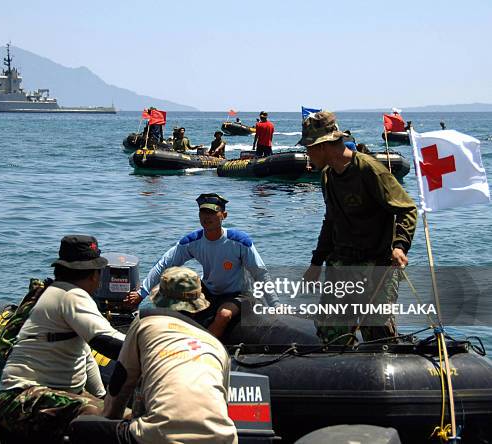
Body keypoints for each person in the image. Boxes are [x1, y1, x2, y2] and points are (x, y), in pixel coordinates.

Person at [69, 267, 238, 443]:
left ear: (160, 299)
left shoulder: (147, 322)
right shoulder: (217, 346)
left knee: (80, 428)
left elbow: (122, 382)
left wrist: (109, 419)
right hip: (224, 437)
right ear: (198, 306)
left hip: (159, 435)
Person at [299, 111, 417, 344]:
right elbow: (330, 220)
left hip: (377, 264)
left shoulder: (369, 170)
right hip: (342, 263)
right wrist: (316, 262)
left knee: (378, 334)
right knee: (332, 333)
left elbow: (406, 208)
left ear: (324, 146)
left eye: (309, 148)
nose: (307, 153)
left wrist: (400, 246)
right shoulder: (327, 176)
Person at [0, 235, 126, 442]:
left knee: (123, 413)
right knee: (110, 420)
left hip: (37, 398)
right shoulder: (71, 295)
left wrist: (102, 396)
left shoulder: (57, 292)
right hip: (22, 399)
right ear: (94, 275)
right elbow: (106, 342)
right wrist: (153, 350)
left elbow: (85, 356)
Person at [125, 193, 280, 338]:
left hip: (239, 294)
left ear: (224, 216)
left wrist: (275, 305)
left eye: (213, 212)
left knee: (224, 315)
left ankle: (205, 348)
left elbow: (260, 273)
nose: (207, 216)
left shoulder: (240, 242)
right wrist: (142, 292)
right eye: (203, 212)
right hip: (209, 290)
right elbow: (164, 264)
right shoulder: (192, 242)